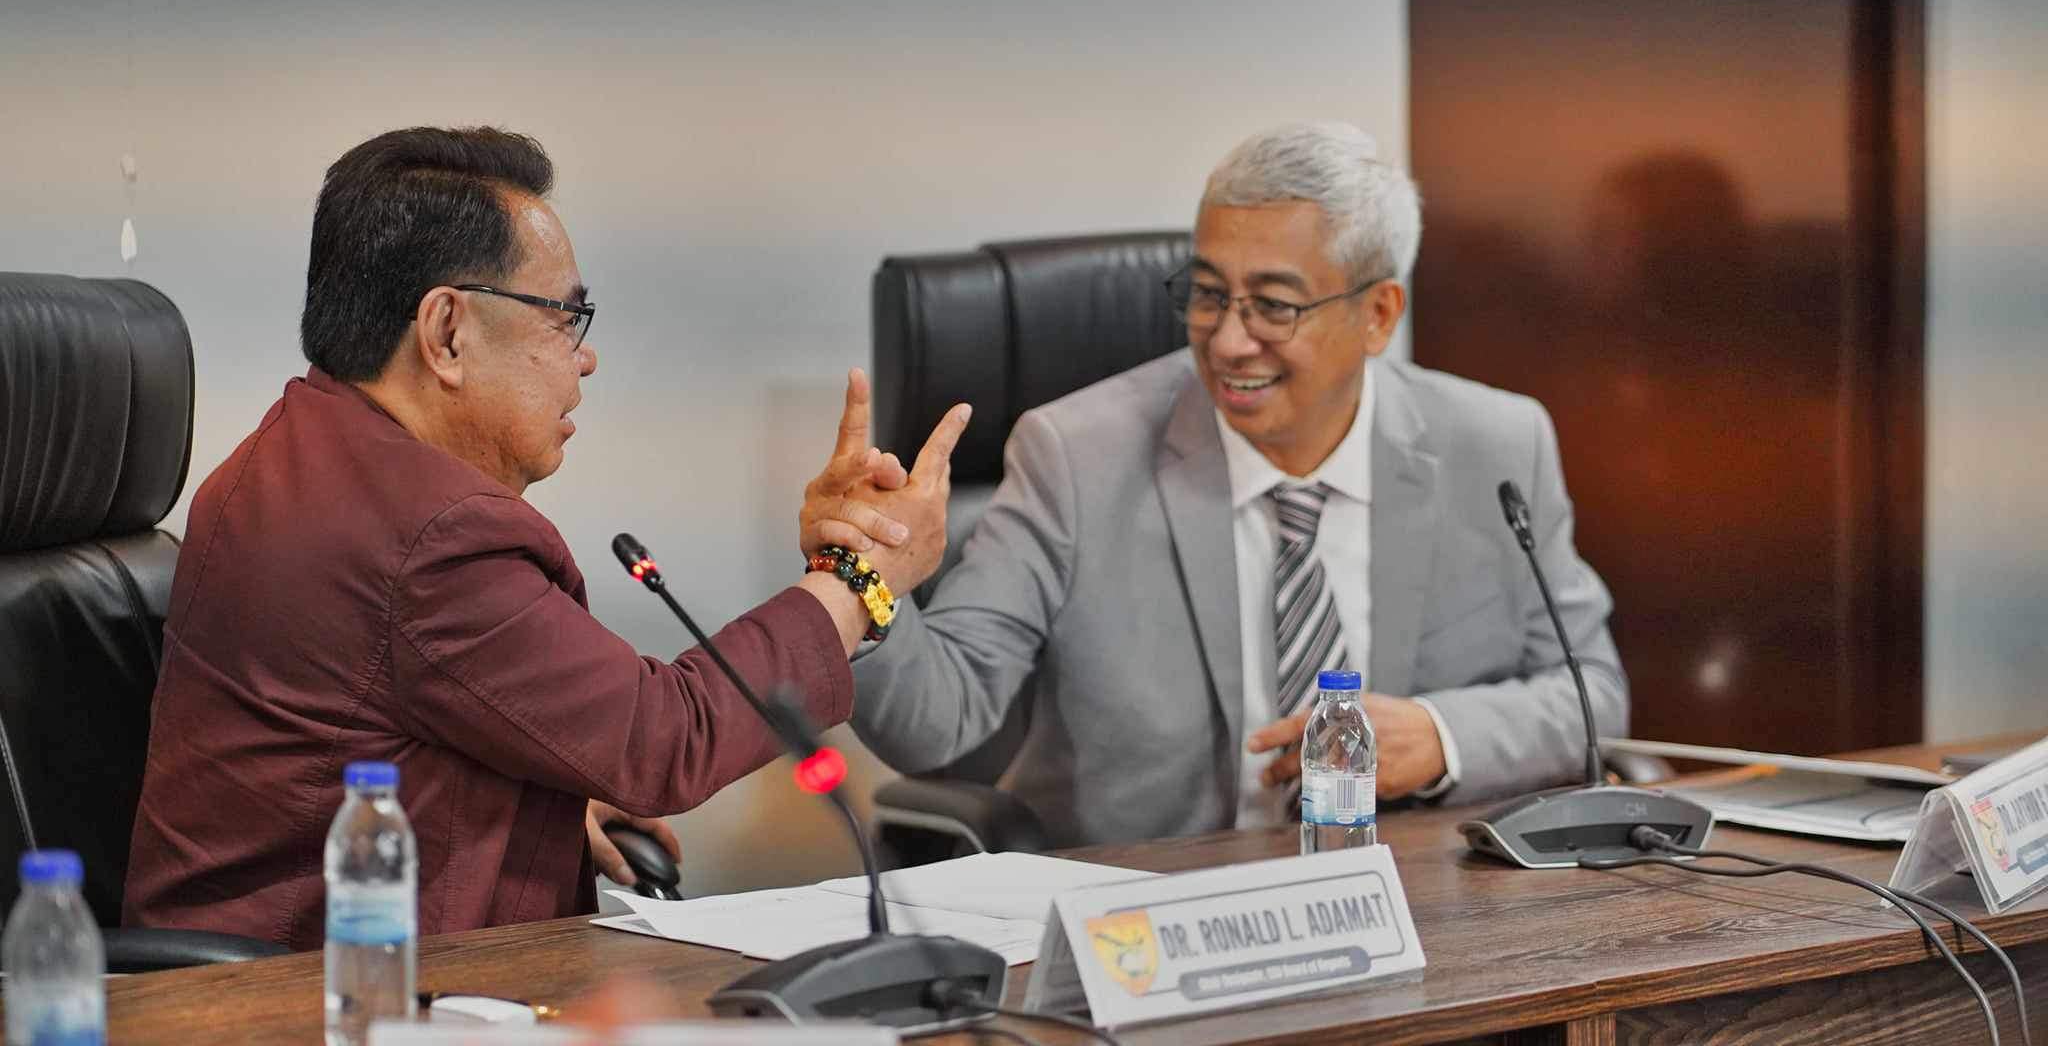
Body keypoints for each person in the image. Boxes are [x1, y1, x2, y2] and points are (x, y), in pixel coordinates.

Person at [124, 126, 965, 949]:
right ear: (447, 332)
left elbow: (361, 734)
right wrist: (859, 576)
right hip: (320, 997)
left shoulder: (280, 457)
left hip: (253, 977)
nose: (584, 358)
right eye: (566, 317)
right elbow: (663, 739)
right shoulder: (430, 538)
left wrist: (540, 812)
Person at [830, 122, 1625, 847]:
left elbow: (1592, 692)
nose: (1228, 342)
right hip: (1148, 910)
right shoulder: (1075, 457)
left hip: (1421, 905)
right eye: (1209, 295)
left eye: (1274, 306)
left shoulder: (1495, 447)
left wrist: (1441, 736)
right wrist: (862, 576)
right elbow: (935, 722)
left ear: (1379, 315)